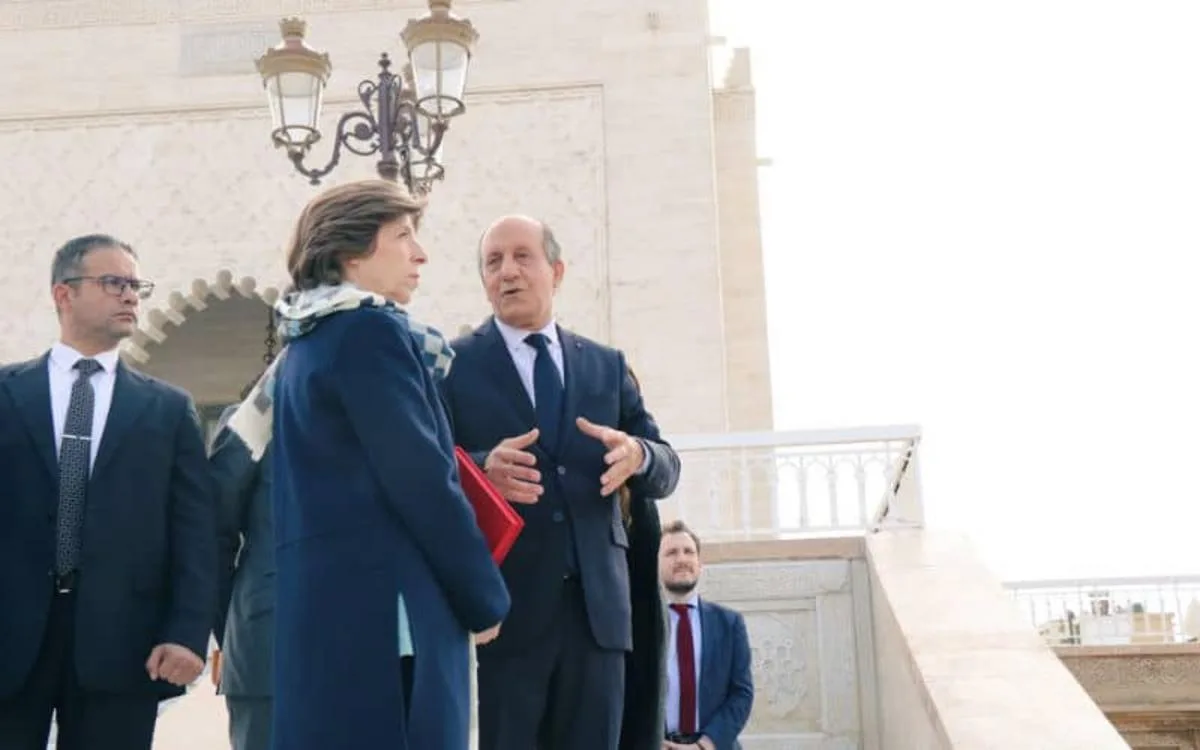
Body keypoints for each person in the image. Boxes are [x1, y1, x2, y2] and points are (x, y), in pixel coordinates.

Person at [221, 179, 510, 750]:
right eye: (402, 236)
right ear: (351, 252)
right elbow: (421, 480)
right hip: (388, 624)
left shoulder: (307, 342)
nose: (420, 254)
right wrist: (483, 596)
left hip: (330, 625)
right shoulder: (369, 332)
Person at [439, 214, 682, 750]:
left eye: (522, 257)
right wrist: (481, 468)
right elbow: (427, 468)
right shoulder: (451, 366)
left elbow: (667, 466)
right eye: (493, 262)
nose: (507, 272)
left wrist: (638, 455)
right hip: (507, 616)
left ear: (557, 270)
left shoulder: (606, 366)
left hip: (601, 620)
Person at [0, 234, 216, 750]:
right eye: (114, 283)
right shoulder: (7, 394)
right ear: (64, 293)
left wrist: (187, 633)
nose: (131, 296)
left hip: (123, 642)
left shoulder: (168, 410)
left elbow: (195, 533)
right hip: (9, 636)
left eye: (136, 286)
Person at [208, 367, 277, 750]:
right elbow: (213, 535)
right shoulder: (255, 419)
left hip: (368, 650)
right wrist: (231, 629)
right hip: (268, 645)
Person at [658, 521, 754, 750]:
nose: (682, 559)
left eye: (689, 552)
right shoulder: (639, 626)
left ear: (700, 564)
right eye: (671, 552)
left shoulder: (729, 624)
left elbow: (741, 693)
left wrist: (704, 745)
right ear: (655, 564)